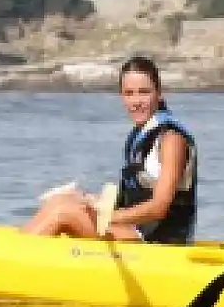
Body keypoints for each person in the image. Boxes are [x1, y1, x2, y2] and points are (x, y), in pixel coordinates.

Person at [22, 54, 199, 243]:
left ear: (159, 93)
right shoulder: (141, 136)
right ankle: (20, 249)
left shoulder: (171, 140)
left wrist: (106, 217)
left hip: (158, 242)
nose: (136, 101)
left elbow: (159, 207)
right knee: (61, 202)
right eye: (129, 93)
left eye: (144, 92)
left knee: (63, 213)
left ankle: (16, 258)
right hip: (136, 231)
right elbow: (134, 199)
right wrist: (91, 201)